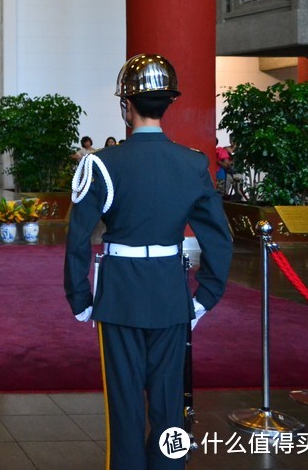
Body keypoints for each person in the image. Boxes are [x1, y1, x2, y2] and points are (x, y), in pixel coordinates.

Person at [64, 54, 233, 469]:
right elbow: (219, 240)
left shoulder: (102, 164)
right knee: (168, 406)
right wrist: (204, 298)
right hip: (171, 296)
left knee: (124, 408)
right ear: (168, 103)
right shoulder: (193, 163)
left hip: (119, 297)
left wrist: (81, 298)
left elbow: (78, 238)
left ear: (126, 105)